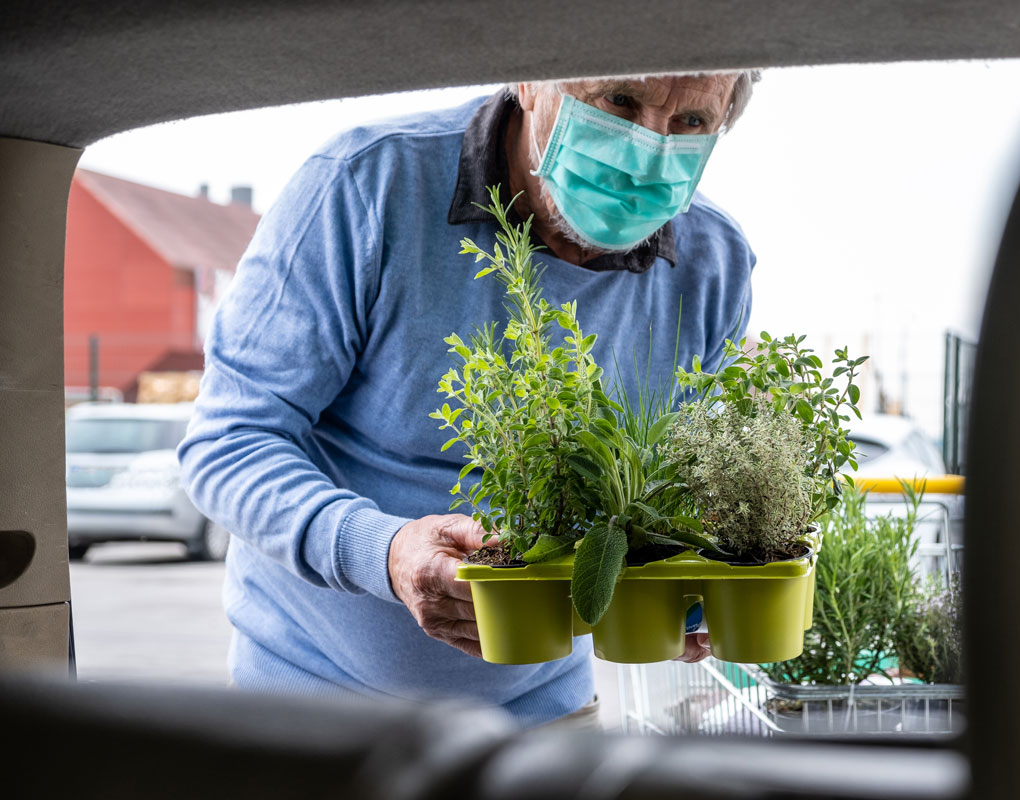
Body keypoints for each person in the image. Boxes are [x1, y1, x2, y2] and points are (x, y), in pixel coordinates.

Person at [178, 72, 759, 727]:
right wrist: (385, 551)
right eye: (619, 102)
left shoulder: (714, 264)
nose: (645, 150)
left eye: (689, 124)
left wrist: (679, 584)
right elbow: (230, 442)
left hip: (546, 718)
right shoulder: (366, 184)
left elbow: (673, 494)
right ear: (531, 77)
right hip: (310, 712)